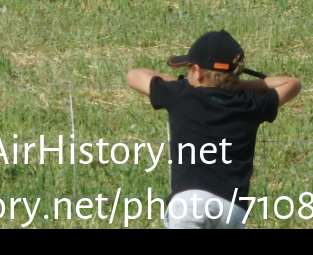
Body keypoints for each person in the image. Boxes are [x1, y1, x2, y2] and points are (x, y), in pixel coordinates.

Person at [127, 30, 301, 229]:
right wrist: (239, 85)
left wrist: (183, 85)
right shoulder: (250, 103)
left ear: (198, 72)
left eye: (190, 68)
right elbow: (292, 84)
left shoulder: (180, 94)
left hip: (189, 202)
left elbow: (134, 76)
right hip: (232, 207)